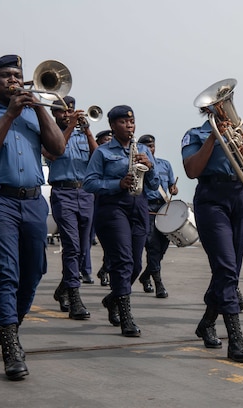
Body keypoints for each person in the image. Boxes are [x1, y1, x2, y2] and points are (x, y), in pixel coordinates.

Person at [0, 54, 66, 380]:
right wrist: (10, 114)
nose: (13, 80)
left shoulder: (35, 112)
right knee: (6, 272)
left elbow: (58, 148)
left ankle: (10, 326)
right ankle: (10, 343)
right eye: (6, 75)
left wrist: (38, 108)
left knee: (33, 272)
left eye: (17, 75)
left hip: (34, 202)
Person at [182, 104, 243, 363]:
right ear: (208, 111)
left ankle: (207, 323)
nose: (224, 110)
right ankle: (235, 339)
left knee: (231, 269)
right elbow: (191, 170)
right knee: (225, 268)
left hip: (240, 197)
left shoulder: (242, 130)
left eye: (227, 104)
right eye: (218, 106)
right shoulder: (195, 135)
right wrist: (213, 137)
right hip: (212, 199)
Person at [83, 105, 159, 338]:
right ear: (113, 126)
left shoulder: (143, 149)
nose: (129, 126)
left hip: (139, 207)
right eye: (124, 123)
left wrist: (150, 167)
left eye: (132, 122)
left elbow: (154, 186)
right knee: (123, 261)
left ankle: (113, 297)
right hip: (113, 208)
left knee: (136, 264)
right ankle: (126, 316)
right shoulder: (103, 152)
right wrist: (118, 184)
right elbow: (89, 183)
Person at [45, 96, 98, 319]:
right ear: (55, 114)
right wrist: (69, 127)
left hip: (85, 193)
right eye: (62, 112)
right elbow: (54, 153)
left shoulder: (81, 133)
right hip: (63, 192)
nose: (67, 114)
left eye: (71, 111)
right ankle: (74, 297)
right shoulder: (50, 134)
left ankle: (63, 289)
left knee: (82, 248)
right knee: (72, 246)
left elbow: (97, 157)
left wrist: (86, 131)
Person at [136, 134, 178, 298]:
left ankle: (146, 276)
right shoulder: (138, 166)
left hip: (163, 208)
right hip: (146, 208)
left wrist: (174, 189)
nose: (150, 149)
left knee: (162, 247)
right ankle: (158, 283)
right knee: (153, 247)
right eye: (147, 146)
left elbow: (171, 185)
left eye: (152, 146)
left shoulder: (165, 164)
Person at [93, 129, 113, 287]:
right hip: (100, 202)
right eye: (105, 139)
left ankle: (105, 269)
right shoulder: (99, 154)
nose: (109, 142)